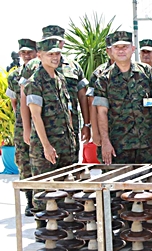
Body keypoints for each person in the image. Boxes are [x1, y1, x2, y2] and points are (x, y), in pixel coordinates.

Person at [93, 31, 152, 165]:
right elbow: (101, 112)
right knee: (120, 185)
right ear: (111, 51)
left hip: (147, 143)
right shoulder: (103, 79)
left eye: (125, 47)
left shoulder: (147, 72)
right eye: (117, 47)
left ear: (133, 49)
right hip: (119, 146)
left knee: (150, 183)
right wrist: (105, 141)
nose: (121, 51)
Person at [20, 25, 90, 156]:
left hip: (69, 130)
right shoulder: (32, 66)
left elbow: (82, 97)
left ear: (62, 42)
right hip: (43, 129)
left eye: (57, 41)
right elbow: (23, 98)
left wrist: (86, 124)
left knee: (70, 169)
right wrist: (26, 128)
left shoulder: (73, 67)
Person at [24, 38, 77, 176]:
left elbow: (67, 111)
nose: (55, 58)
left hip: (65, 147)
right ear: (39, 55)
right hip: (46, 150)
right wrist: (46, 146)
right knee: (45, 193)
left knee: (66, 192)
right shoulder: (35, 82)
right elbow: (36, 117)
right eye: (50, 54)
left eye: (57, 54)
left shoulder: (60, 79)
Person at [5, 38, 37, 216]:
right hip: (22, 126)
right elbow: (15, 103)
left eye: (29, 52)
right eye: (23, 52)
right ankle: (29, 199)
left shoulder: (41, 73)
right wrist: (24, 123)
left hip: (43, 124)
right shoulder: (14, 76)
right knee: (24, 162)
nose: (26, 55)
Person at [86, 33, 114, 163]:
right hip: (105, 129)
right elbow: (92, 104)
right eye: (110, 48)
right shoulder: (99, 73)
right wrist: (95, 132)